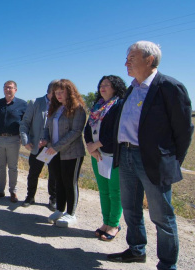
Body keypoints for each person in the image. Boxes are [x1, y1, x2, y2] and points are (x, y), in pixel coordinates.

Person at [107, 41, 193, 270]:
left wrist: (172, 162)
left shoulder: (169, 87)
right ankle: (136, 250)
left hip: (153, 160)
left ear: (149, 59)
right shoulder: (132, 88)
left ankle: (167, 264)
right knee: (131, 209)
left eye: (131, 57)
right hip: (125, 155)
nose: (126, 62)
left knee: (162, 217)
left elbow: (184, 130)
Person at [84, 75, 126, 241]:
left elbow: (118, 130)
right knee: (103, 191)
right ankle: (106, 222)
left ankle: (114, 224)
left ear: (115, 87)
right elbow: (88, 128)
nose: (103, 87)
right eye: (101, 85)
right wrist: (90, 146)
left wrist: (98, 144)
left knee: (115, 192)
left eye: (107, 85)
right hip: (97, 155)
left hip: (113, 155)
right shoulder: (97, 106)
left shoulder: (119, 105)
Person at [41, 79, 86, 228]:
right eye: (56, 92)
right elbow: (47, 128)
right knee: (58, 181)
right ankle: (60, 210)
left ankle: (71, 213)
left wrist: (56, 147)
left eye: (62, 92)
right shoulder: (55, 108)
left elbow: (76, 132)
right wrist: (45, 140)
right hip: (53, 152)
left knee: (69, 182)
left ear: (70, 91)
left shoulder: (78, 109)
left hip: (71, 153)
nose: (59, 95)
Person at [19, 80, 57, 210]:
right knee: (33, 173)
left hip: (52, 147)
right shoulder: (35, 102)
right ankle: (30, 197)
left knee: (53, 173)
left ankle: (53, 199)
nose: (60, 94)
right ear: (50, 91)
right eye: (57, 92)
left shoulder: (61, 104)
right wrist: (25, 141)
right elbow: (25, 123)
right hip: (37, 146)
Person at [0, 80, 27, 203]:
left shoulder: (22, 104)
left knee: (13, 167)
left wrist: (23, 136)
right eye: (6, 87)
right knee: (0, 166)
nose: (8, 89)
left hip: (14, 139)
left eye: (10, 88)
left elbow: (26, 122)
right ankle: (0, 190)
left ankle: (13, 191)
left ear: (15, 90)